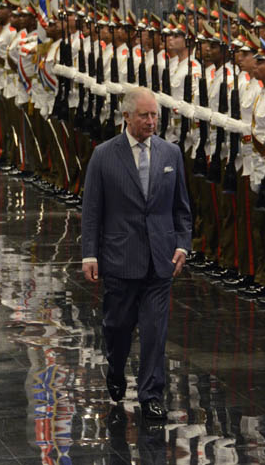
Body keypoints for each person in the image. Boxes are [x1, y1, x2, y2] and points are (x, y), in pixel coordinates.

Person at [81, 86, 192, 420]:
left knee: (155, 331)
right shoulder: (104, 154)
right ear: (126, 116)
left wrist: (182, 244)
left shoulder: (170, 154)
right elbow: (92, 210)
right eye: (144, 115)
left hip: (160, 259)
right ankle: (115, 370)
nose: (151, 121)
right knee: (117, 327)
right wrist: (90, 254)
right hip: (119, 257)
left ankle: (151, 394)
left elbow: (182, 208)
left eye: (155, 115)